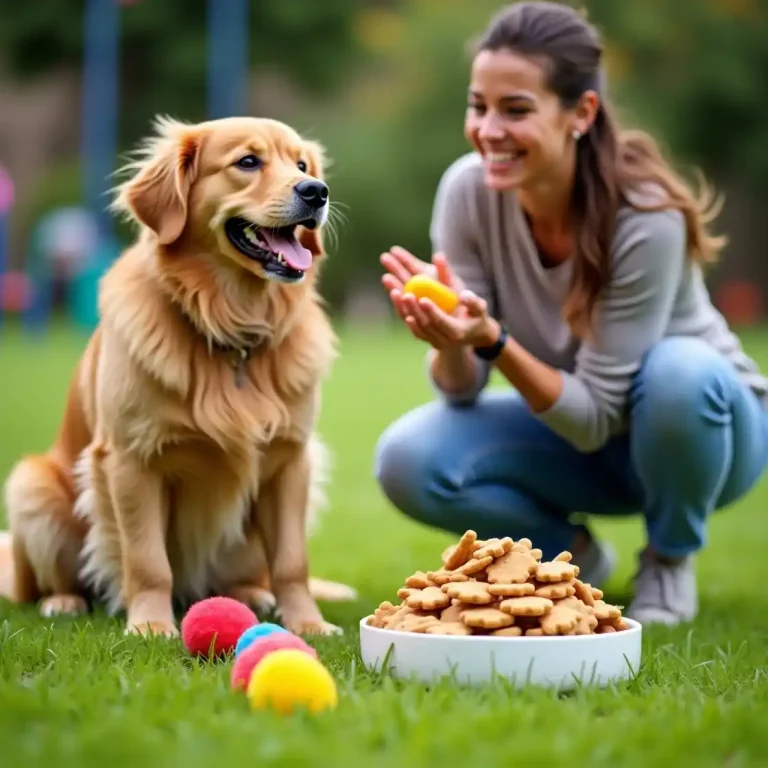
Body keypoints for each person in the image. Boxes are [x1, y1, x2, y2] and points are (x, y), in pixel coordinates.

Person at [373, 1, 768, 627]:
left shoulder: (645, 215)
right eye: (479, 105)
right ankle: (574, 555)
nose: (489, 130)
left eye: (517, 109)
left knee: (679, 374)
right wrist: (449, 337)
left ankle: (668, 558)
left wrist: (495, 341)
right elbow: (460, 388)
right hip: (581, 438)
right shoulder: (467, 190)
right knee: (408, 460)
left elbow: (597, 418)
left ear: (580, 113)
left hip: (703, 436)